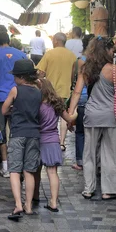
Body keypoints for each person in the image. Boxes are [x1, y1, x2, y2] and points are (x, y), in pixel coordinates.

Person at [67, 36, 116, 200]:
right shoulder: (113, 69)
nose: (113, 52)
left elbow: (76, 93)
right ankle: (108, 190)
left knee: (89, 153)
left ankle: (88, 189)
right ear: (106, 50)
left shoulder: (85, 69)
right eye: (112, 49)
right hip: (110, 116)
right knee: (110, 153)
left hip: (91, 115)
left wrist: (70, 115)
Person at [1, 59, 42, 219]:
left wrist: (13, 109)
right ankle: (29, 206)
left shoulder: (15, 90)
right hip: (34, 134)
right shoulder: (38, 91)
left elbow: (4, 110)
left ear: (20, 77)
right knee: (30, 171)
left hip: (18, 133)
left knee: (15, 170)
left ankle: (18, 205)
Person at [0, 32, 27, 178]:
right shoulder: (20, 54)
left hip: (1, 97)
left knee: (0, 131)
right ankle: (18, 165)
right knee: (17, 130)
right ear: (9, 41)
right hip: (19, 95)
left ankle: (6, 166)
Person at [34, 78, 76, 212]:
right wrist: (75, 112)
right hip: (52, 140)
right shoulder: (56, 105)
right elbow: (69, 119)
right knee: (52, 172)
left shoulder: (36, 105)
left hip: (37, 140)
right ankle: (53, 201)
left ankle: (35, 196)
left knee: (35, 171)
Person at [36, 32, 77, 151]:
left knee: (49, 114)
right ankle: (62, 142)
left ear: (56, 41)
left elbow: (41, 72)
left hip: (49, 91)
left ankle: (49, 137)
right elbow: (72, 75)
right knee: (63, 114)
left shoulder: (49, 54)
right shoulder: (72, 56)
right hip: (65, 90)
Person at [71, 34, 95, 171]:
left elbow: (76, 82)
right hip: (94, 99)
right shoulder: (100, 60)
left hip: (84, 98)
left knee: (80, 131)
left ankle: (80, 161)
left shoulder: (81, 60)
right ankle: (94, 160)